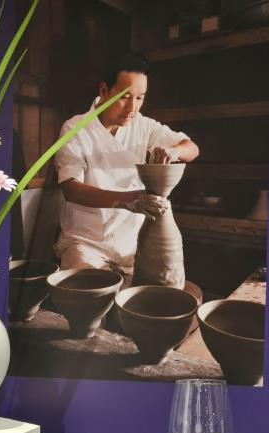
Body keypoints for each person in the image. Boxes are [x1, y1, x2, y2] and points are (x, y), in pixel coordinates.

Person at [54, 51, 199, 281]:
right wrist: (128, 200)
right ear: (104, 90)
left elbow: (192, 148)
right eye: (125, 97)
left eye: (140, 98)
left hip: (133, 246)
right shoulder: (75, 128)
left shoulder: (144, 126)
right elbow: (71, 189)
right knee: (93, 291)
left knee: (161, 289)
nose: (132, 108)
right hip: (87, 244)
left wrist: (174, 151)